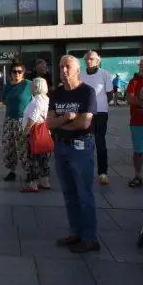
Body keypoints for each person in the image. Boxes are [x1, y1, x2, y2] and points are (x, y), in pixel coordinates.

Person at [47, 55, 99, 253]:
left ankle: (90, 238)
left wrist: (62, 121)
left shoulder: (87, 92)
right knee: (69, 193)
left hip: (81, 147)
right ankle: (75, 232)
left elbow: (84, 123)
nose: (64, 70)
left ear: (77, 70)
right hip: (60, 146)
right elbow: (49, 123)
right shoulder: (57, 93)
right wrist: (68, 118)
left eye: (68, 66)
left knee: (84, 193)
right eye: (61, 67)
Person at [79, 50, 113, 185]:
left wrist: (100, 105)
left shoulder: (105, 74)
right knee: (82, 142)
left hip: (100, 113)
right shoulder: (81, 75)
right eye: (86, 59)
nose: (89, 61)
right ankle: (83, 171)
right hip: (85, 113)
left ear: (98, 60)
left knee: (100, 142)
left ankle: (103, 173)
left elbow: (109, 94)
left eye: (92, 59)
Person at [20, 78, 52, 192]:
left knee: (32, 158)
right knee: (43, 158)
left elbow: (33, 117)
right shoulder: (46, 99)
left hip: (35, 132)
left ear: (37, 87)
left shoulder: (37, 100)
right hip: (44, 132)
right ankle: (45, 181)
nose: (30, 87)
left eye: (32, 85)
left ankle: (32, 183)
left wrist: (26, 130)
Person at [1, 60, 32, 181]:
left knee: (23, 147)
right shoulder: (8, 86)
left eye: (20, 71)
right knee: (9, 146)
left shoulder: (29, 84)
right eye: (14, 72)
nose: (17, 74)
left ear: (23, 73)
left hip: (23, 120)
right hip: (9, 119)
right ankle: (11, 170)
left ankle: (29, 172)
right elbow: (3, 100)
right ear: (10, 73)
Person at [126, 55, 143, 188]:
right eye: (141, 65)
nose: (142, 67)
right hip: (138, 122)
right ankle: (138, 176)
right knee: (138, 151)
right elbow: (130, 98)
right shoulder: (134, 81)